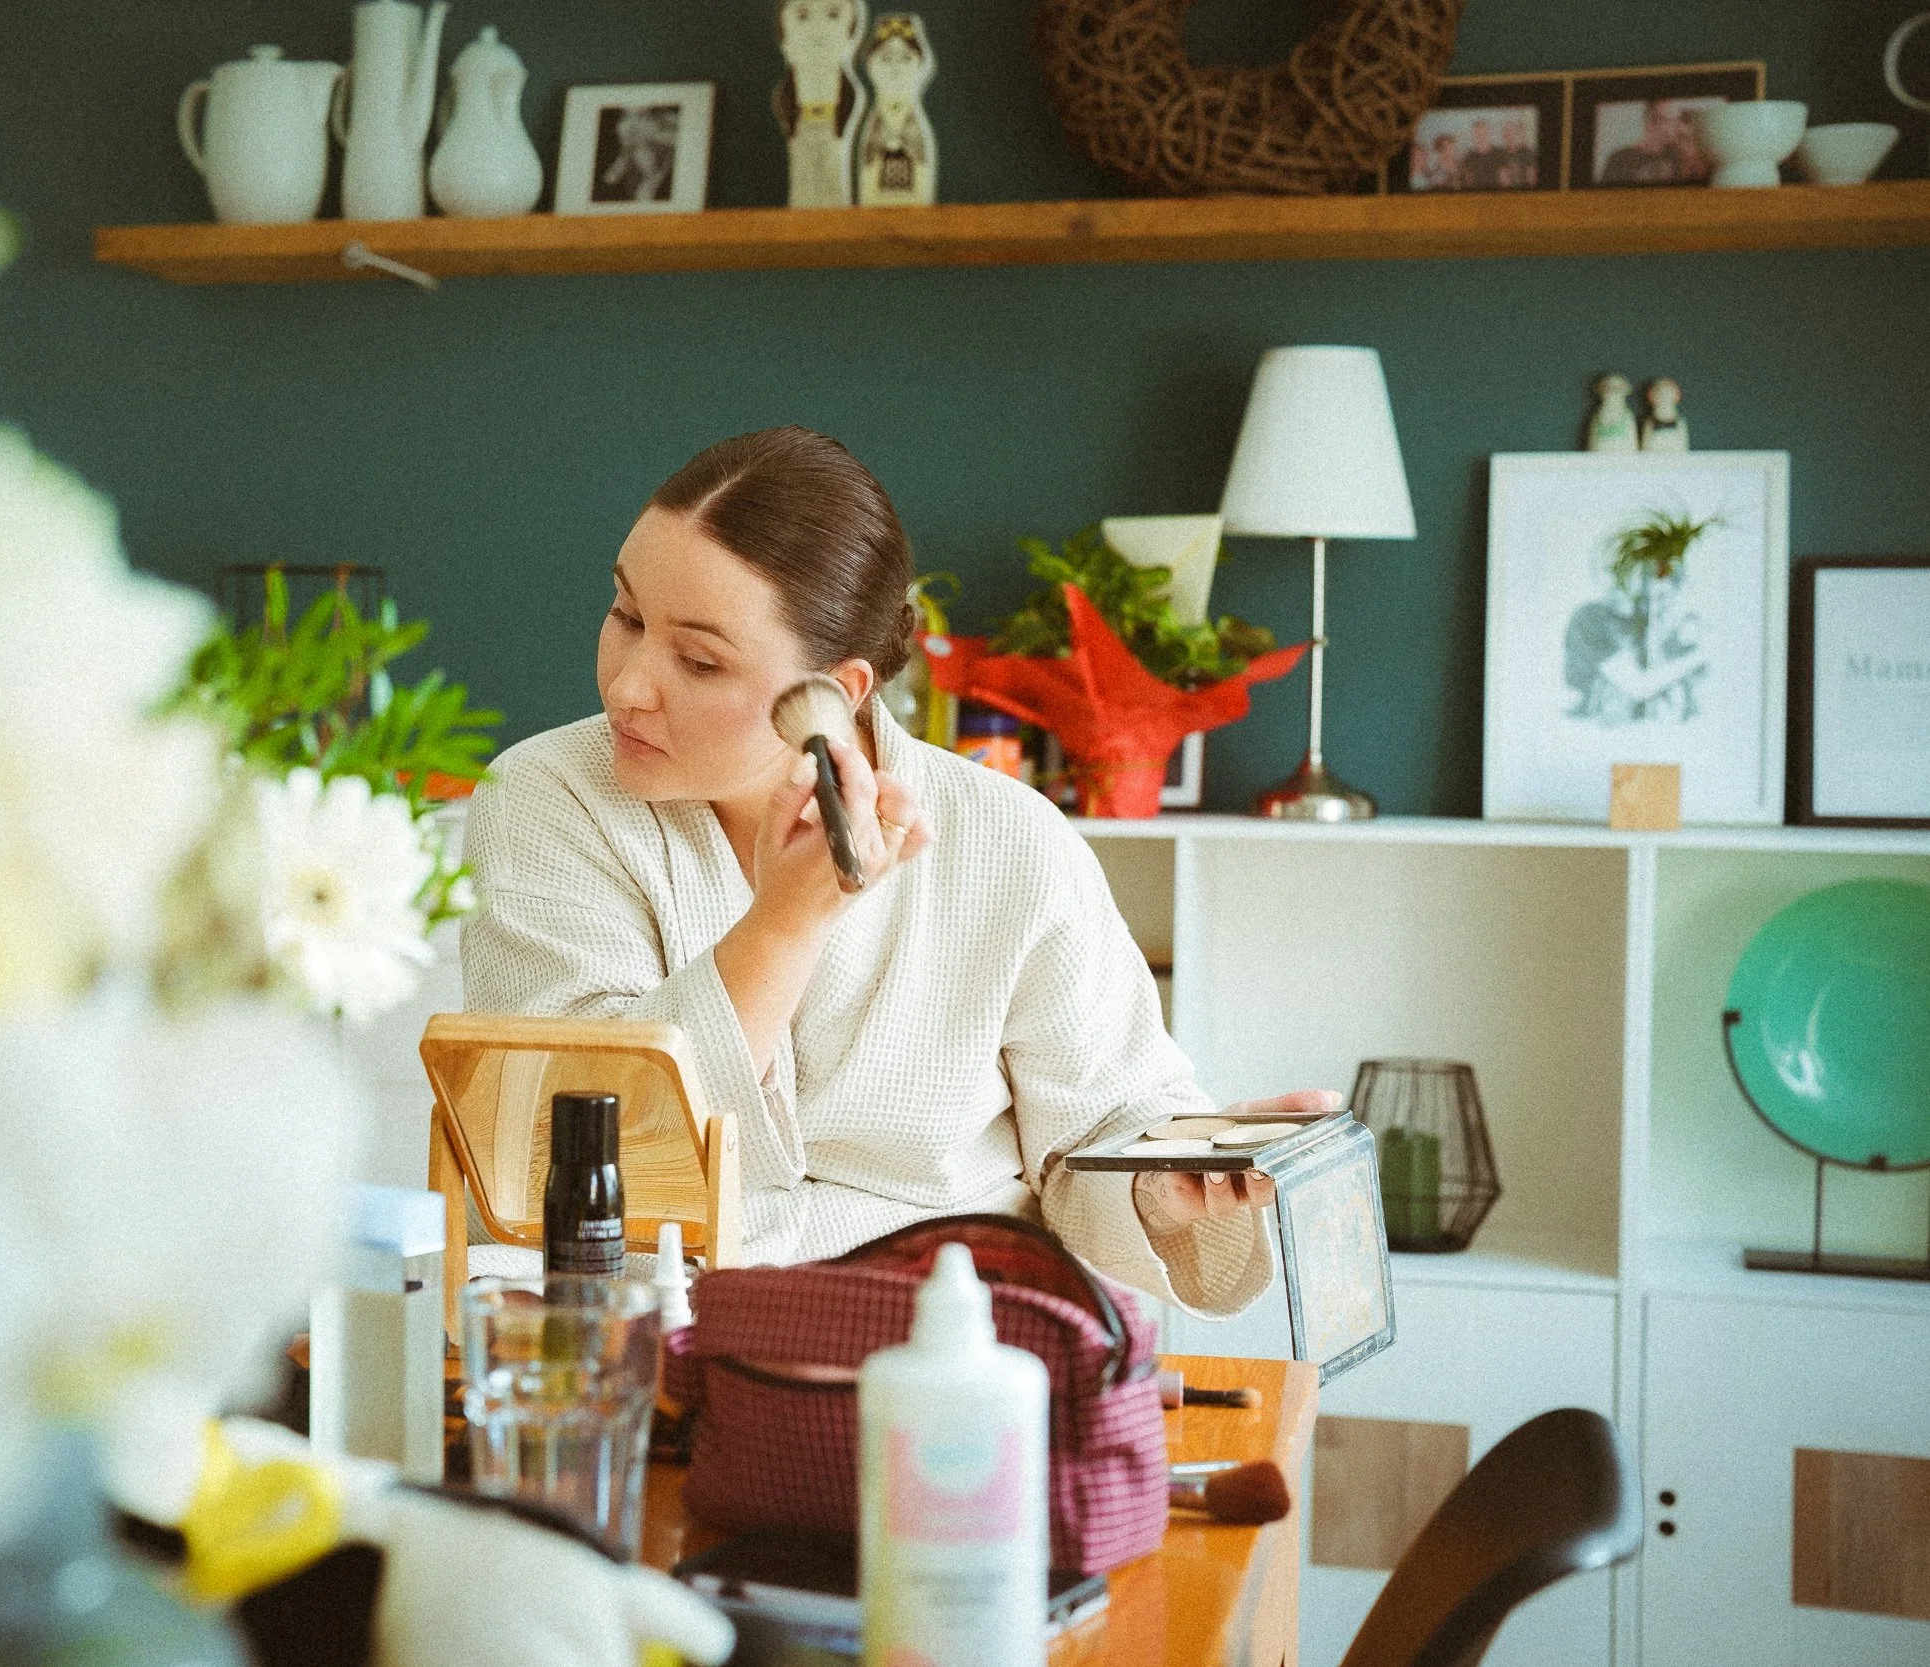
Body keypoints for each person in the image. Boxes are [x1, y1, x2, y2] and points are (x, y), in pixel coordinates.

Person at [461, 427, 1336, 1317]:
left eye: (698, 660)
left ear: (837, 690)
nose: (627, 686)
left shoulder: (1009, 837)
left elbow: (1103, 1124)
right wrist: (784, 925)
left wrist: (1161, 1186)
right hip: (654, 1342)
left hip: (955, 1339)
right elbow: (562, 1141)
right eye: (627, 616)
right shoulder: (545, 797)